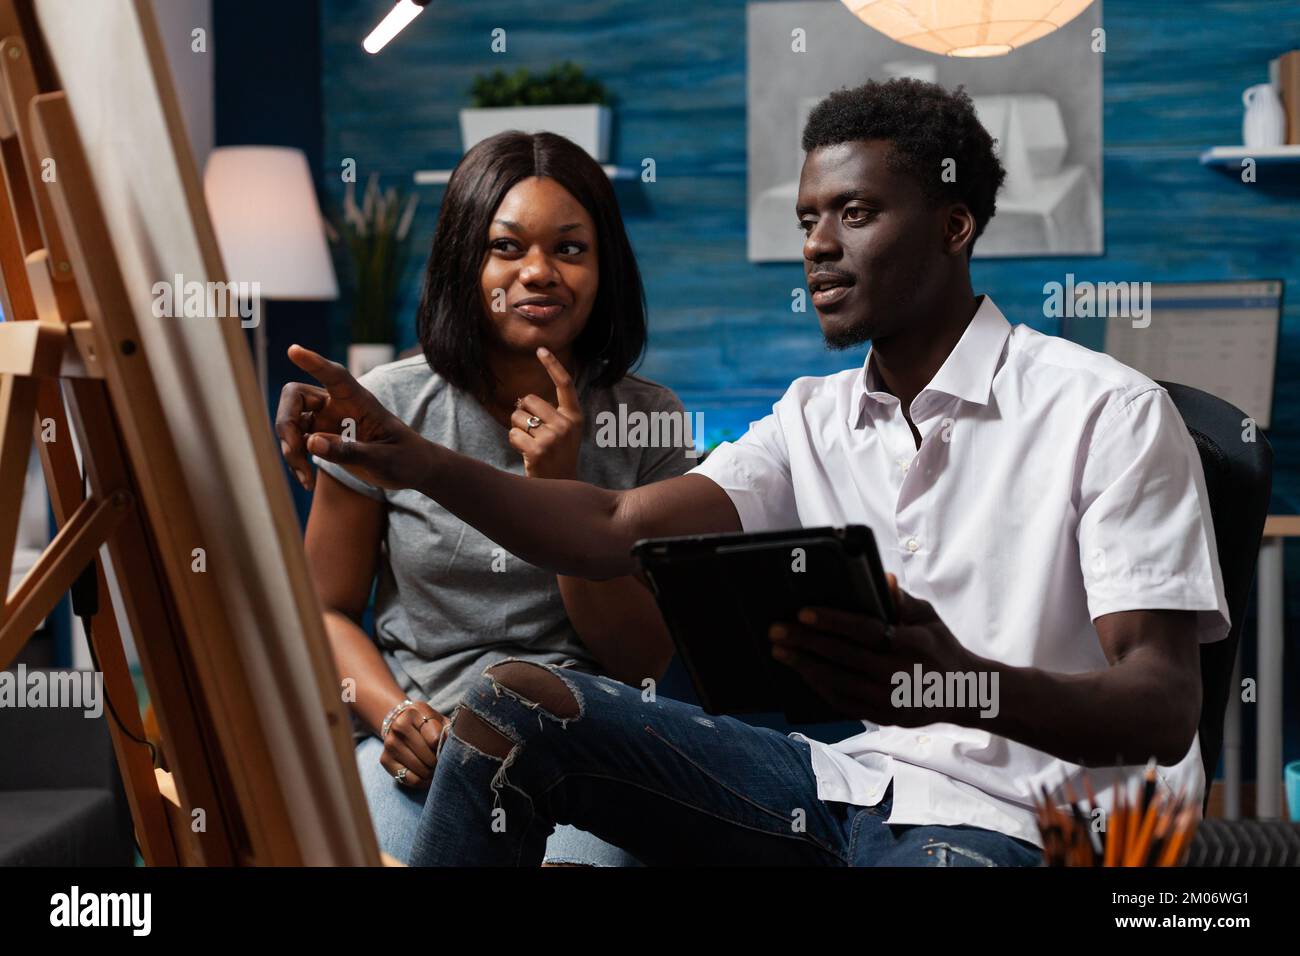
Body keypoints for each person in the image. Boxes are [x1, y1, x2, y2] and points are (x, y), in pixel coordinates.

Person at [279, 79, 1228, 867]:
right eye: (810, 217)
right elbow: (613, 528)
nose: (818, 243)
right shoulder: (810, 416)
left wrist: (960, 683)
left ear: (954, 224)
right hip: (842, 785)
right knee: (515, 701)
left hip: (1022, 821)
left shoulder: (1107, 412)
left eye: (856, 213)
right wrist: (412, 459)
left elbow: (1162, 707)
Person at [279, 131, 694, 865]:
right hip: (422, 743)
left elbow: (644, 662)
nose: (539, 273)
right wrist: (393, 713)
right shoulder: (387, 407)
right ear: (466, 260)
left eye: (570, 249)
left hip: (589, 755)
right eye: (508, 248)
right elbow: (325, 610)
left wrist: (561, 493)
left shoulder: (648, 418)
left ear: (604, 271)